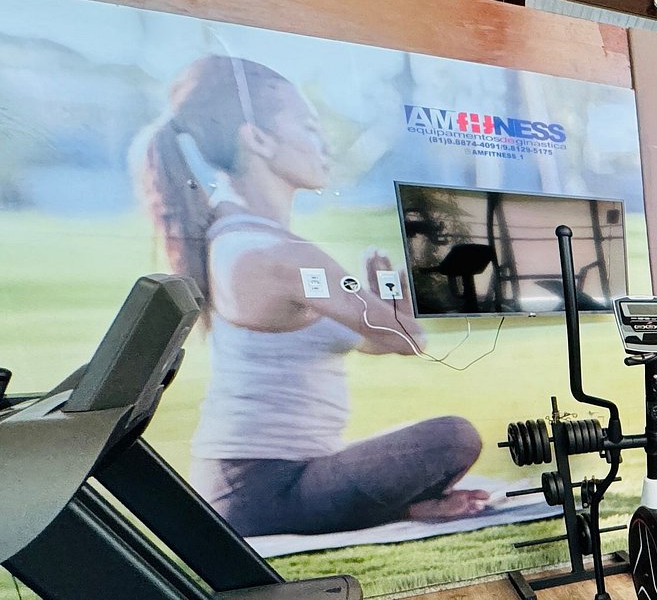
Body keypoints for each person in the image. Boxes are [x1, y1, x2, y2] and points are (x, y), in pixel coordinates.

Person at [138, 54, 491, 536]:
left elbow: (373, 339)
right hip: (263, 491)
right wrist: (392, 300)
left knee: (416, 438)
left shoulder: (234, 236)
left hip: (257, 484)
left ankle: (406, 508)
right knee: (452, 437)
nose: (324, 144)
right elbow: (408, 339)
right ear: (257, 139)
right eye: (308, 127)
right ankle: (404, 511)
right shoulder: (281, 255)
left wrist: (385, 313)